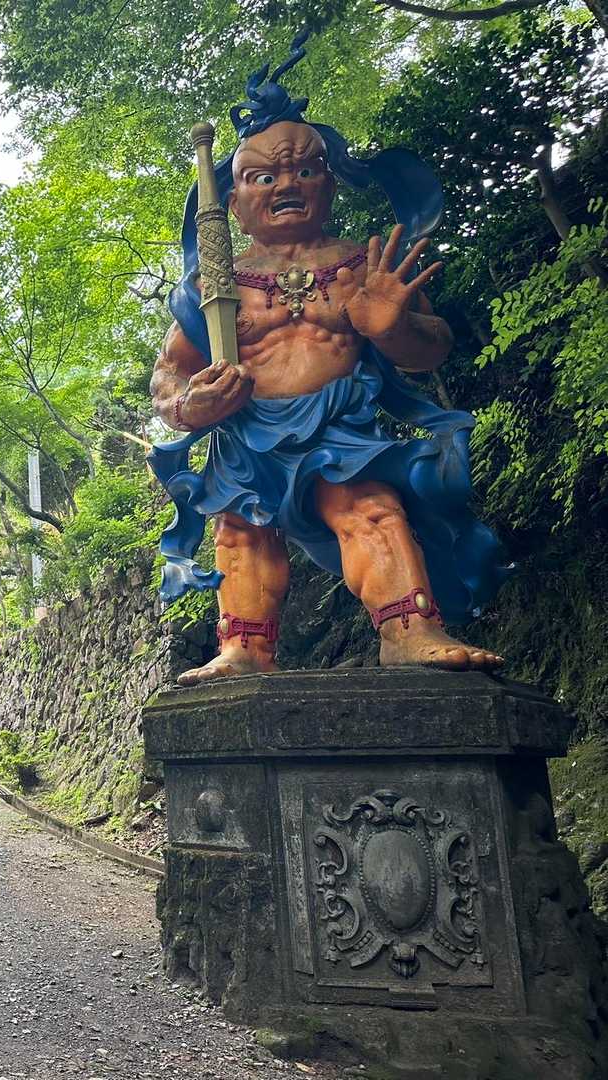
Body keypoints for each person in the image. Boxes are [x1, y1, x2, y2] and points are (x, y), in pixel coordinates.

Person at [148, 35, 510, 686]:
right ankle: (244, 648)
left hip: (339, 428)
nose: (286, 183)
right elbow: (167, 375)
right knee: (241, 535)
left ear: (329, 183)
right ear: (233, 204)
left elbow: (431, 350)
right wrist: (191, 404)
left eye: (304, 170)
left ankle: (409, 629)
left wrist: (393, 328)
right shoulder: (215, 284)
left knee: (370, 512)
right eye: (263, 176)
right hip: (246, 432)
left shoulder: (362, 265)